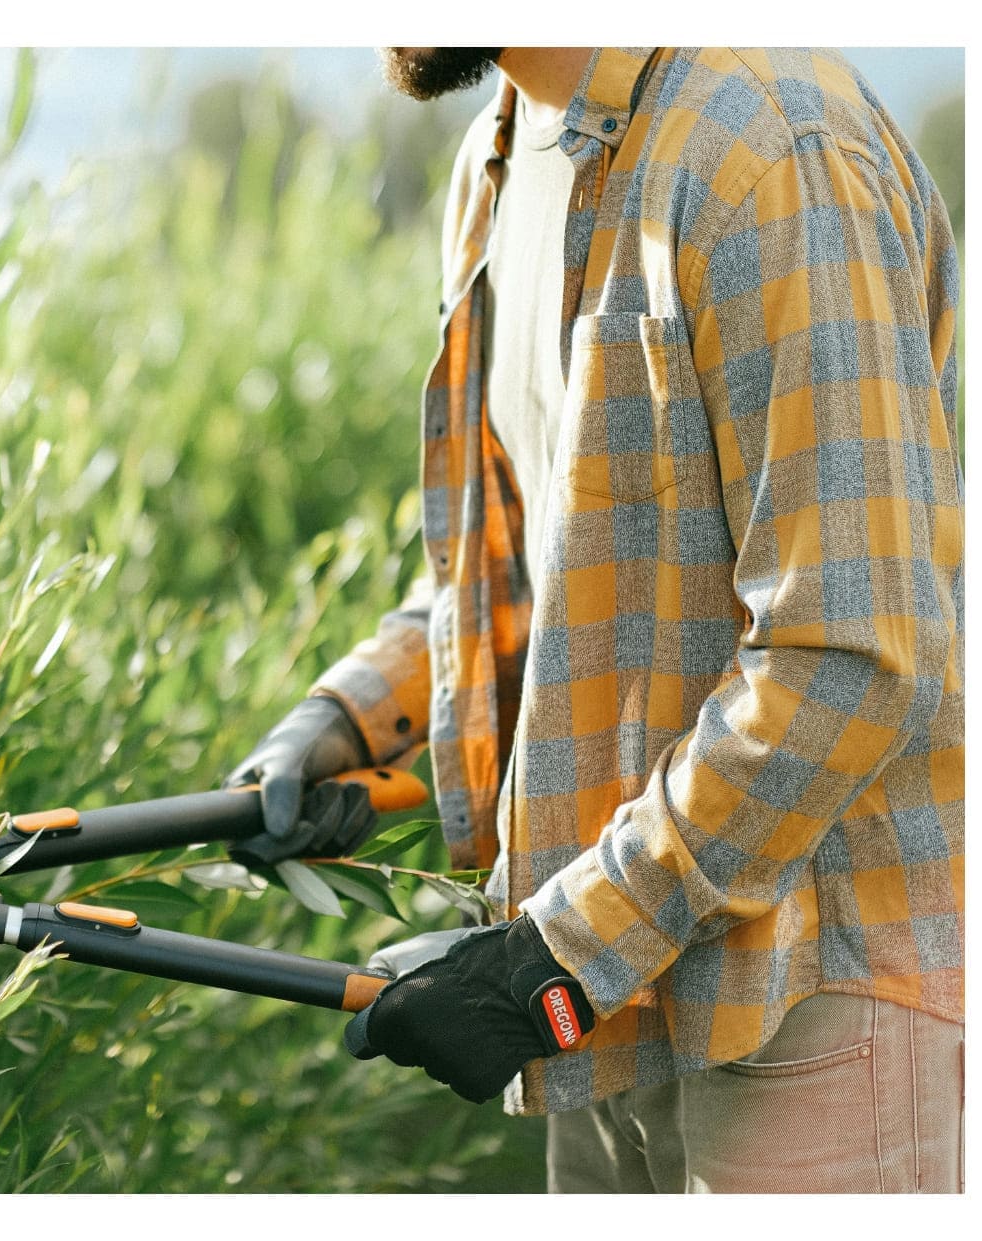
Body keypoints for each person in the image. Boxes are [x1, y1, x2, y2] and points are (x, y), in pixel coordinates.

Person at [227, 48, 962, 1193]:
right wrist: (354, 714)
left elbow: (849, 650)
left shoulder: (767, 143)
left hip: (811, 1007)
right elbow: (542, 568)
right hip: (616, 1009)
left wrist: (550, 958)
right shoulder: (498, 155)